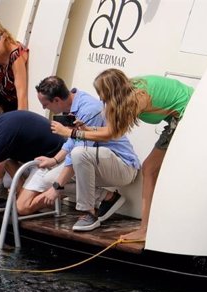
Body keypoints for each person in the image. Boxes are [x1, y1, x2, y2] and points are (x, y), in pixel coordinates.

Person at [51, 68, 193, 240]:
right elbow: (113, 130)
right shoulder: (128, 90)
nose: (101, 99)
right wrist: (87, 129)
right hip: (177, 115)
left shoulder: (137, 98)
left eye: (102, 94)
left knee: (149, 169)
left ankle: (145, 230)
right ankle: (146, 228)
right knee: (149, 169)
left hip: (188, 112)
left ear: (111, 91)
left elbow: (112, 133)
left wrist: (71, 133)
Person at [23, 76, 140, 231]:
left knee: (77, 156)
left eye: (46, 104)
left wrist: (58, 187)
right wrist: (54, 160)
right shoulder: (72, 106)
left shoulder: (88, 108)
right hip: (97, 162)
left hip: (123, 166)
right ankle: (108, 197)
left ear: (57, 100)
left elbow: (80, 150)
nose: (46, 108)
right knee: (49, 178)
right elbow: (73, 141)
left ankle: (88, 212)